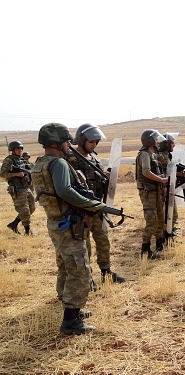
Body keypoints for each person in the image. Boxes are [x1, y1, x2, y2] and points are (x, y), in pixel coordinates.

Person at [31, 122, 107, 335]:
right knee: (78, 268)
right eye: (66, 141)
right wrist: (92, 204)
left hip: (55, 222)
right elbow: (64, 191)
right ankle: (71, 320)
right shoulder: (59, 164)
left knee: (65, 265)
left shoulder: (41, 162)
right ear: (57, 143)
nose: (68, 145)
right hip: (68, 223)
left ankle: (69, 304)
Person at [66, 124, 125, 283]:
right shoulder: (71, 159)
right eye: (92, 141)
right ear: (82, 140)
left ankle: (106, 272)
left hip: (97, 207)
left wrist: (105, 176)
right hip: (81, 210)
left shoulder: (94, 159)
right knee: (84, 246)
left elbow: (96, 179)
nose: (95, 145)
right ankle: (87, 277)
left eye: (97, 142)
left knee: (103, 241)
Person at [136, 129, 168, 259]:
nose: (158, 141)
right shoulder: (144, 155)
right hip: (148, 192)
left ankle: (160, 243)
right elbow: (146, 172)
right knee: (152, 221)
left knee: (160, 217)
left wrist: (160, 186)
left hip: (155, 191)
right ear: (149, 141)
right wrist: (161, 180)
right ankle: (145, 248)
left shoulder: (152, 154)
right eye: (155, 139)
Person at [1, 140, 35, 235]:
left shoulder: (22, 160)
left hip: (26, 187)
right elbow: (2, 174)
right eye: (17, 149)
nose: (20, 150)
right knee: (25, 210)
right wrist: (16, 174)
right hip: (17, 188)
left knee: (32, 208)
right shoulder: (9, 160)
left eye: (21, 148)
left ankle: (14, 224)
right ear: (12, 150)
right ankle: (27, 231)